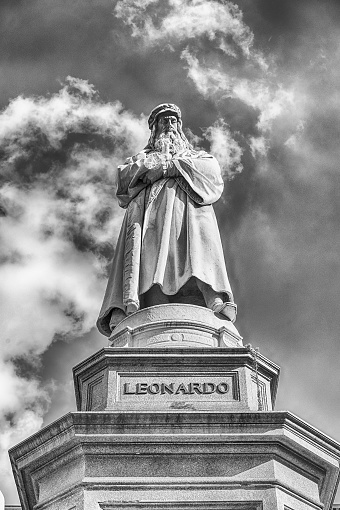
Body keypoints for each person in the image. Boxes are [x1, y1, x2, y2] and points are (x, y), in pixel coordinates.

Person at [97, 103, 237, 336]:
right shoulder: (142, 157)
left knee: (198, 251)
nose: (170, 124)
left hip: (189, 211)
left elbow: (211, 172)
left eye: (174, 120)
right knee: (150, 257)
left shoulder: (195, 156)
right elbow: (124, 180)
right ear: (155, 128)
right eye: (164, 120)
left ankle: (212, 294)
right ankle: (147, 304)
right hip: (150, 214)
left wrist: (169, 166)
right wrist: (154, 165)